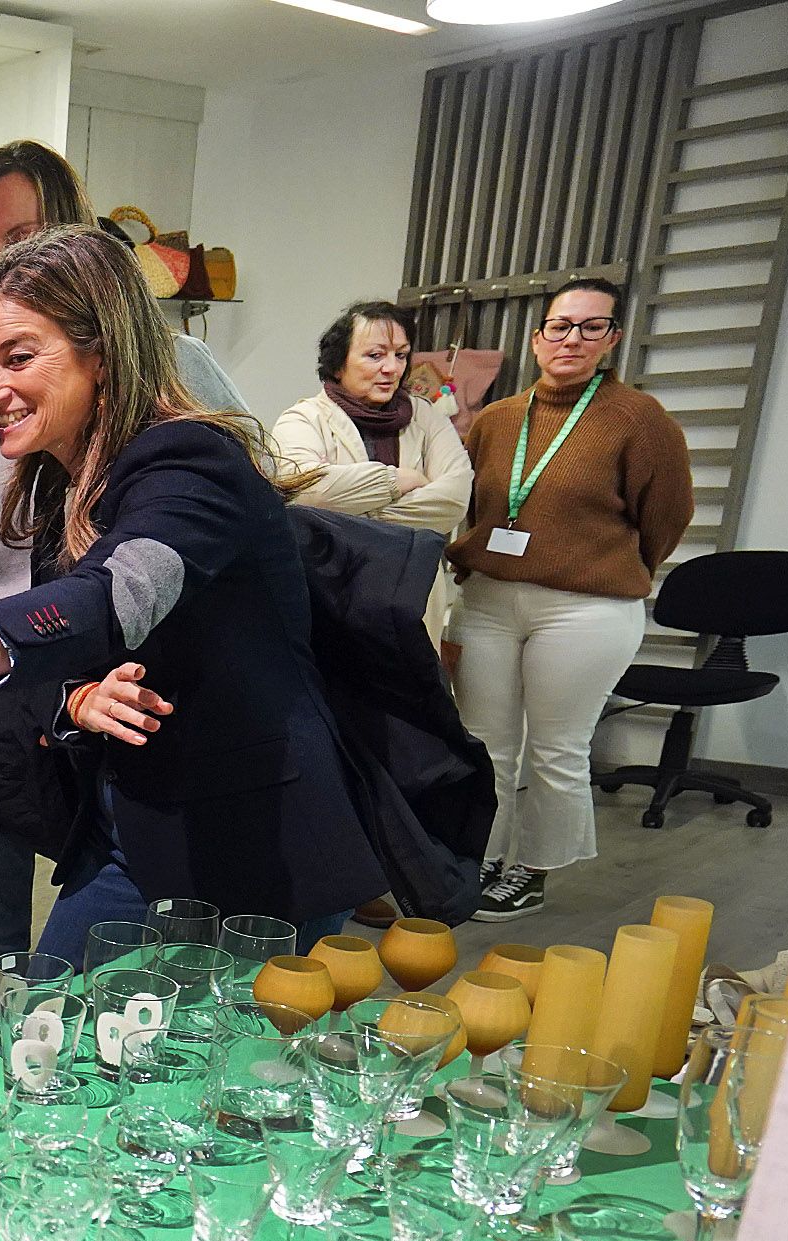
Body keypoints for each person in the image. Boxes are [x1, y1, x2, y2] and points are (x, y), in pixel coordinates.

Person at [0, 226, 385, 961]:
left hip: (255, 843)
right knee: (48, 1030)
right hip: (134, 828)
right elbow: (85, 647)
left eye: (18, 358)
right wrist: (76, 699)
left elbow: (112, 597)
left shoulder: (191, 461)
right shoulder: (64, 478)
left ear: (103, 352)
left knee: (185, 1064)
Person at [0, 139, 254, 1015]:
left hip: (132, 709)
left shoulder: (171, 430)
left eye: (20, 242)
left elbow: (125, 583)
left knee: (118, 980)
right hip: (15, 691)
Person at [448, 277, 692, 922]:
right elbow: (468, 507)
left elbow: (666, 519)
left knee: (555, 747)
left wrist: (602, 566)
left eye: (591, 327)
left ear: (611, 340)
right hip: (493, 600)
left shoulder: (639, 420)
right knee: (483, 743)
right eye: (560, 325)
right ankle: (479, 857)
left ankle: (532, 870)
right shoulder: (498, 420)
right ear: (537, 338)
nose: (572, 339)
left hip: (585, 609)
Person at [272, 300, 473, 647]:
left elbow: (453, 499)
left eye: (401, 354)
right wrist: (396, 481)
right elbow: (306, 491)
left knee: (409, 694)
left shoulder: (426, 417)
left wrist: (349, 514)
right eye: (375, 355)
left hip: (413, 594)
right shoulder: (303, 419)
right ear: (338, 365)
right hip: (330, 590)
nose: (392, 368)